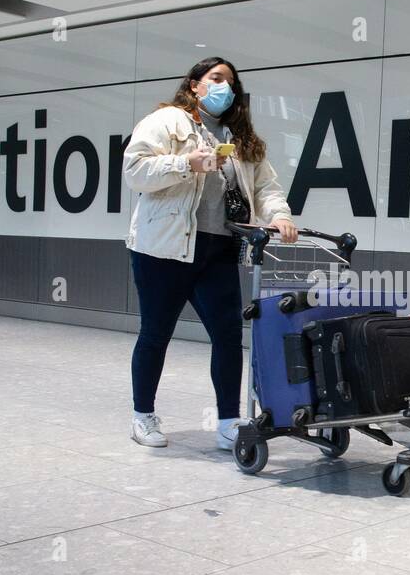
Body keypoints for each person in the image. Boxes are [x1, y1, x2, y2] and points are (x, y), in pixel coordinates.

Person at [122, 57, 298, 450]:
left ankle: (228, 422)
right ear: (195, 84)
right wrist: (187, 162)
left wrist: (280, 216)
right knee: (156, 334)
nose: (225, 88)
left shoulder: (242, 137)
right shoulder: (167, 121)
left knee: (228, 336)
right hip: (165, 248)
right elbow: (135, 171)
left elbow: (267, 187)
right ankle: (143, 416)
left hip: (218, 247)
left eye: (231, 83)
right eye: (216, 78)